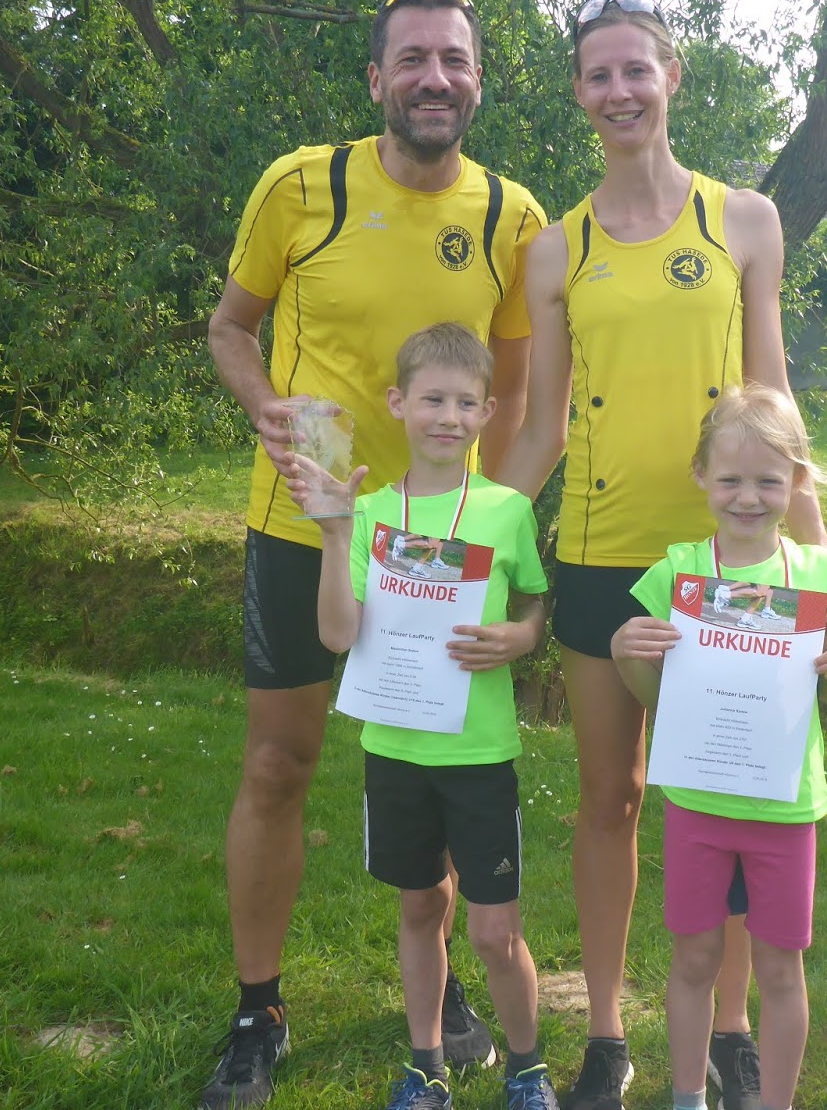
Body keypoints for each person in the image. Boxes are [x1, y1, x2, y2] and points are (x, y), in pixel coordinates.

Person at [495, 0, 827, 1109]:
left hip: (732, 565)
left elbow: (773, 399)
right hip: (604, 558)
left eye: (635, 71)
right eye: (598, 75)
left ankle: (731, 1032)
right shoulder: (556, 249)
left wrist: (820, 558)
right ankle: (608, 1032)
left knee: (739, 792)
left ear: (670, 78)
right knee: (612, 797)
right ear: (578, 93)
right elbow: (541, 429)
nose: (619, 92)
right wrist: (463, 534)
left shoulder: (743, 221)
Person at [204, 0, 547, 1108]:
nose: (433, 78)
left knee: (437, 762)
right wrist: (263, 405)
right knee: (279, 765)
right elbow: (230, 326)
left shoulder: (512, 217)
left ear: (478, 80)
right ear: (376, 79)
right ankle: (258, 1010)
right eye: (412, 59)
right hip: (308, 525)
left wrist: (489, 523)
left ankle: (441, 996)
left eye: (453, 59)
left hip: (437, 553)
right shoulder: (300, 186)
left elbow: (512, 393)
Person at [288, 324, 558, 1110]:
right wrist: (335, 533)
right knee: (420, 908)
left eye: (466, 403)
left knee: (494, 932)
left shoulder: (506, 510)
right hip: (397, 752)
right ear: (398, 403)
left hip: (478, 756)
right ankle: (426, 1066)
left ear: (488, 412)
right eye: (433, 399)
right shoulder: (369, 512)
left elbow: (533, 603)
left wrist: (523, 637)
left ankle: (527, 1069)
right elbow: (337, 634)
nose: (449, 416)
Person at [611, 383, 827, 1110]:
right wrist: (626, 651)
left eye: (768, 480)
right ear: (701, 475)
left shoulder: (819, 578)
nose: (748, 497)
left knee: (781, 971)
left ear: (798, 480)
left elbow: (817, 693)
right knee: (694, 958)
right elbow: (653, 695)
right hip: (698, 802)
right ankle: (688, 1098)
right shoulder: (677, 573)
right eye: (730, 479)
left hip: (784, 809)